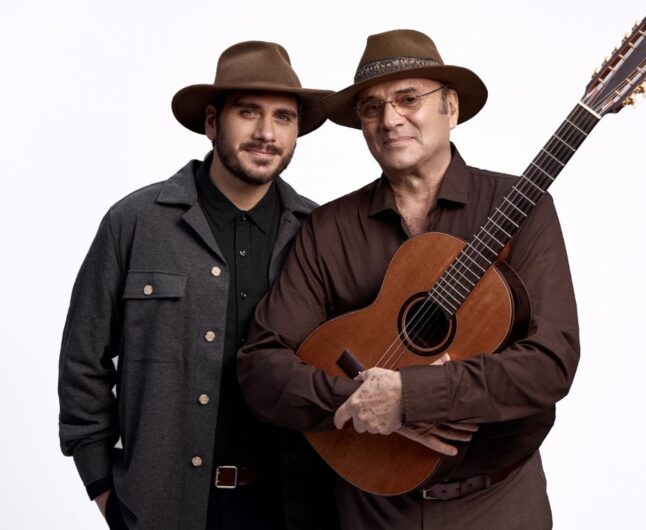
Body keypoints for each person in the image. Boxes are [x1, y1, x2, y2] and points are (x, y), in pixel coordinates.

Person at [238, 30, 580, 529]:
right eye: (372, 108)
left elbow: (551, 362)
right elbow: (261, 366)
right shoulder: (330, 228)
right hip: (369, 510)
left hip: (497, 507)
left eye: (409, 98)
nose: (390, 119)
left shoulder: (521, 207)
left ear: (450, 108)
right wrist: (361, 403)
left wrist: (412, 395)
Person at [58, 41, 337, 530]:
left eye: (283, 117)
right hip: (165, 508)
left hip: (295, 508)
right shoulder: (135, 223)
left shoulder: (320, 233)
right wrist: (101, 484)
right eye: (248, 112)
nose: (266, 132)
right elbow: (84, 359)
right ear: (212, 122)